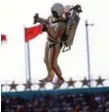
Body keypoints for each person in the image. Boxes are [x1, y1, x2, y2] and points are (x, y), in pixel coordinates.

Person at [40, 3, 66, 89]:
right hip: (48, 42)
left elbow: (55, 37)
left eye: (54, 12)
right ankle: (50, 76)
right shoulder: (52, 18)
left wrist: (47, 29)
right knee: (46, 60)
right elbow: (46, 21)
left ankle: (60, 79)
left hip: (55, 44)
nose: (53, 14)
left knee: (52, 63)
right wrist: (38, 19)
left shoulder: (61, 24)